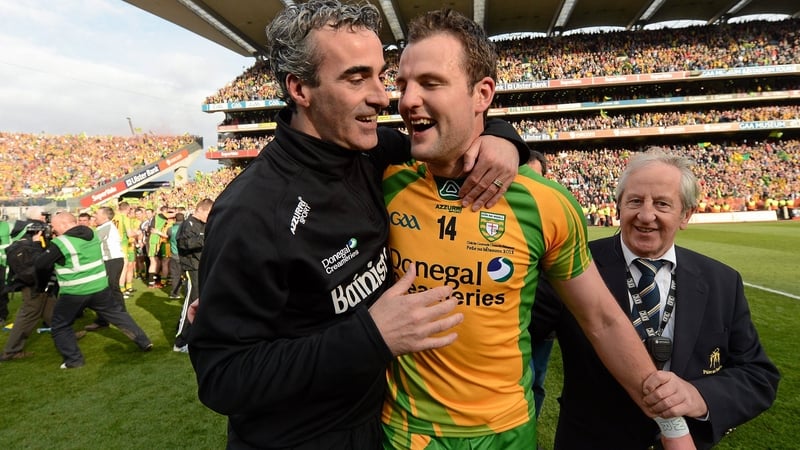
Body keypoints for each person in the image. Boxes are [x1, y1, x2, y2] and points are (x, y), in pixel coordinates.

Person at [188, 1, 527, 448]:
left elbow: (448, 133)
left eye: (380, 75)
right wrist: (372, 335)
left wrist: (503, 138)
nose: (382, 97)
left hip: (378, 428)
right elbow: (223, 378)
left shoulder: (370, 150)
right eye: (355, 77)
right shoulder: (252, 211)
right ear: (300, 89)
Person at [380, 10, 694, 449]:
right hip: (403, 434)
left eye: (430, 83)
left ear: (481, 93)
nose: (407, 100)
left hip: (507, 434)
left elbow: (601, 320)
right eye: (401, 85)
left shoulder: (544, 202)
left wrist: (674, 428)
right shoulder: (382, 178)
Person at [530, 149, 780, 449]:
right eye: (635, 201)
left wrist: (697, 396)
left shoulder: (722, 281)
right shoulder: (572, 268)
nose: (646, 215)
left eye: (662, 204)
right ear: (618, 206)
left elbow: (757, 375)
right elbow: (510, 333)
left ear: (685, 214)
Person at [34, 212, 153, 369]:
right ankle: (144, 341)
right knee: (118, 315)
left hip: (75, 291)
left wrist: (37, 244)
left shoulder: (62, 242)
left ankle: (74, 360)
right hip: (99, 287)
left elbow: (41, 264)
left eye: (54, 227)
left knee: (60, 325)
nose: (53, 231)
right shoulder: (92, 233)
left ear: (63, 225)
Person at [0, 215, 58, 361]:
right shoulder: (28, 247)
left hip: (36, 286)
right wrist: (39, 245)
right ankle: (11, 351)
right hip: (34, 287)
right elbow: (38, 265)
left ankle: (66, 334)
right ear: (37, 233)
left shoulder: (20, 244)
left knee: (51, 311)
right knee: (28, 316)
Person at [525, 149, 555, 422]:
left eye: (537, 179)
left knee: (536, 382)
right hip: (511, 323)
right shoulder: (509, 213)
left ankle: (529, 435)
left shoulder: (556, 215)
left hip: (543, 328)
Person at [174, 198, 212, 353]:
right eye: (208, 213)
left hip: (203, 267)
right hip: (192, 268)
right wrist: (206, 237)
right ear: (201, 210)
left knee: (202, 304)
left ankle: (197, 336)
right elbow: (184, 243)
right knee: (191, 303)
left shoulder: (203, 224)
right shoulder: (187, 224)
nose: (209, 217)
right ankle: (181, 342)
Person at [84, 206, 128, 332]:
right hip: (110, 261)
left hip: (111, 261)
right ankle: (107, 318)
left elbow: (91, 243)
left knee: (110, 289)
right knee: (107, 289)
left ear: (104, 216)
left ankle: (117, 317)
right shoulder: (103, 227)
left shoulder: (106, 227)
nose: (94, 216)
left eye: (96, 214)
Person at [167, 212, 184, 300]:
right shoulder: (186, 229)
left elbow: (168, 238)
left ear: (175, 219)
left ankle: (174, 293)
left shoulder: (170, 229)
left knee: (175, 275)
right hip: (184, 255)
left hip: (174, 254)